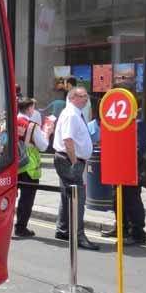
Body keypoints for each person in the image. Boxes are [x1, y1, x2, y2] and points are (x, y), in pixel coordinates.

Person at [53, 86, 99, 250]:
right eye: (82, 96)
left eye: (87, 96)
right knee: (78, 198)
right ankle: (78, 236)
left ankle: (63, 229)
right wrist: (74, 161)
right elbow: (68, 140)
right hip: (69, 160)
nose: (86, 99)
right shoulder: (71, 114)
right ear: (72, 97)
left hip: (69, 159)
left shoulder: (75, 113)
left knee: (68, 195)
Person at [100, 101, 146, 245]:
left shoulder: (138, 124)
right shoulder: (118, 124)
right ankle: (121, 228)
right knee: (117, 200)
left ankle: (138, 233)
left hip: (131, 170)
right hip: (118, 169)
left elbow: (139, 149)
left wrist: (124, 159)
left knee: (132, 201)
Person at [15, 97, 54, 237]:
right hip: (28, 166)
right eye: (33, 107)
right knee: (27, 199)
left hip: (13, 165)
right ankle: (21, 227)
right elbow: (43, 146)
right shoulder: (32, 126)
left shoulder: (11, 121)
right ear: (29, 108)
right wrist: (48, 133)